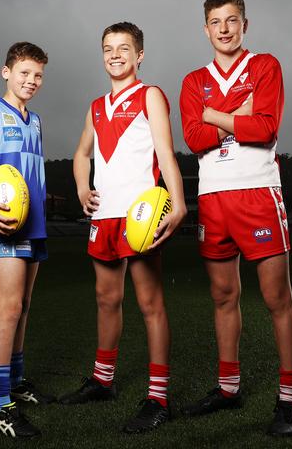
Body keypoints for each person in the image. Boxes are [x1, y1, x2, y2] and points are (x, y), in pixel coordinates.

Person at [179, 0, 292, 437]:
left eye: (232, 20)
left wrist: (214, 115)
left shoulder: (265, 66)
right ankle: (227, 387)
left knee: (276, 299)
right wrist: (234, 114)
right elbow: (194, 139)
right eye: (216, 22)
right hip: (214, 198)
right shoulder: (195, 81)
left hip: (257, 194)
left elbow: (266, 126)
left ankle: (290, 398)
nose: (225, 29)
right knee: (223, 297)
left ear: (245, 24)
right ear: (206, 28)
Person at [61, 22, 186, 434]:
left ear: (139, 55)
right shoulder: (96, 106)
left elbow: (166, 154)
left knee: (150, 303)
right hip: (105, 215)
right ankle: (103, 381)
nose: (115, 55)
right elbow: (81, 155)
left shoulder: (150, 95)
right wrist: (82, 188)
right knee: (105, 298)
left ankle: (158, 397)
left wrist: (179, 201)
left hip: (140, 216)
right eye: (108, 48)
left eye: (124, 48)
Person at [0, 42, 54, 439]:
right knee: (9, 307)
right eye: (24, 73)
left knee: (25, 305)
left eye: (37, 75)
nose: (31, 81)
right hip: (5, 221)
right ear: (6, 72)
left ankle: (15, 383)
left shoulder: (35, 120)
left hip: (33, 221)